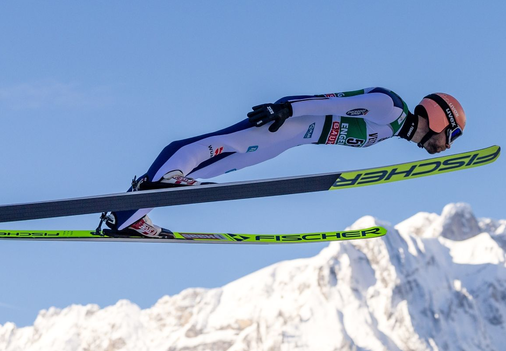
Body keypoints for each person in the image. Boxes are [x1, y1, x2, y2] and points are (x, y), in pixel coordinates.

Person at [101, 87, 466, 238]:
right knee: (219, 144)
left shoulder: (390, 131)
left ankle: (129, 217)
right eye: (451, 135)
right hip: (286, 123)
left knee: (217, 167)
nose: (446, 145)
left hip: (289, 140)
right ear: (439, 117)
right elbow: (333, 102)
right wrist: (285, 109)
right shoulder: (391, 107)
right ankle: (161, 181)